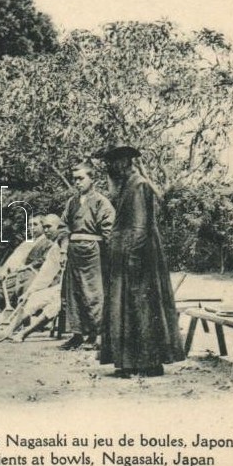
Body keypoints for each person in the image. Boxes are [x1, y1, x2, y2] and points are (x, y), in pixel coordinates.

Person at [97, 144, 185, 377]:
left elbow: (139, 227)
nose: (109, 167)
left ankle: (147, 363)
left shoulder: (138, 185)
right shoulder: (127, 185)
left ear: (125, 162)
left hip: (138, 257)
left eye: (113, 162)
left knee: (141, 307)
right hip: (127, 255)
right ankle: (131, 362)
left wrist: (132, 260)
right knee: (129, 309)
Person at [58, 162, 115, 350]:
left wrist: (110, 257)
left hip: (93, 252)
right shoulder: (72, 202)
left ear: (92, 179)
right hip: (73, 251)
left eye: (81, 178)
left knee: (93, 293)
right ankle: (77, 335)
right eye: (75, 179)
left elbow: (109, 231)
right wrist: (64, 248)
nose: (77, 182)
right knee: (74, 293)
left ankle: (98, 335)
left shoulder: (101, 202)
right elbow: (63, 226)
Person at [0, 214, 69, 344]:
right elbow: (45, 275)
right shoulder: (54, 249)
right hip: (61, 287)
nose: (46, 230)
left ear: (59, 227)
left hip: (75, 288)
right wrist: (28, 292)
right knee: (33, 298)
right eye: (44, 227)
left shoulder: (72, 245)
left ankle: (24, 333)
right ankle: (10, 329)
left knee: (55, 304)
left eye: (49, 227)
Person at [0, 216, 53, 311]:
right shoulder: (26, 243)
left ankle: (23, 315)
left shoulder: (48, 242)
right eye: (29, 225)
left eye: (35, 224)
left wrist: (27, 267)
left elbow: (44, 260)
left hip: (36, 274)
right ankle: (6, 313)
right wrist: (4, 272)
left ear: (43, 226)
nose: (32, 228)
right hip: (19, 274)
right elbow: (13, 260)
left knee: (26, 284)